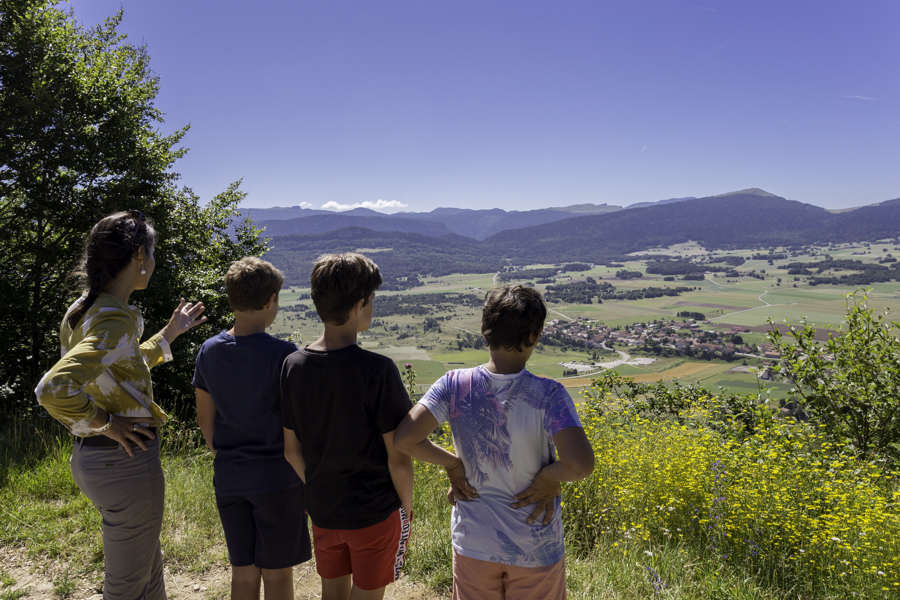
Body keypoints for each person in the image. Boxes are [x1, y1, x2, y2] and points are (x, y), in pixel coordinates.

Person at [35, 211, 207, 600]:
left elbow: (115, 366)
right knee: (128, 587)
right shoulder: (112, 320)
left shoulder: (87, 307)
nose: (153, 260)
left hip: (100, 461)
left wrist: (169, 333)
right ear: (137, 258)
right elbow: (52, 388)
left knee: (148, 569)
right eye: (152, 251)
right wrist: (107, 424)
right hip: (123, 461)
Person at [394, 284, 595, 600]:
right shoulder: (550, 395)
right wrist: (547, 477)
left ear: (484, 333)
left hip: (474, 542)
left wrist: (453, 464)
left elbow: (406, 439)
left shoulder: (453, 384)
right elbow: (580, 465)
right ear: (535, 337)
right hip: (535, 545)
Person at [274, 253, 414, 600]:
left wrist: (322, 486)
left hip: (324, 510)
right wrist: (408, 509)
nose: (372, 307)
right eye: (372, 301)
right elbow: (399, 458)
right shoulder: (378, 371)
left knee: (332, 594)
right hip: (374, 513)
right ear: (358, 305)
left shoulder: (292, 366)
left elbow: (291, 451)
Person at [193, 257, 311, 600]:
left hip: (230, 478)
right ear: (271, 300)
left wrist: (223, 453)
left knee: (242, 573)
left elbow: (205, 418)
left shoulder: (209, 351)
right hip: (278, 479)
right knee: (277, 575)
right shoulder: (285, 355)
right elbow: (298, 424)